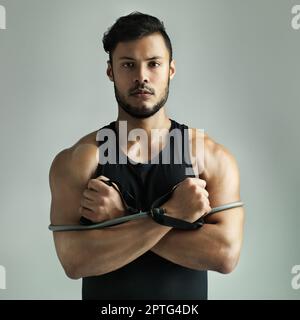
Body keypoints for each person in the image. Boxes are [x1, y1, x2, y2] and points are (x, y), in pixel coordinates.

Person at [49, 12, 245, 300]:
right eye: (128, 65)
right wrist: (173, 214)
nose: (141, 76)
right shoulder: (80, 160)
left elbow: (225, 256)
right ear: (110, 72)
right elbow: (74, 261)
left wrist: (122, 216)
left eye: (154, 64)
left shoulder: (208, 156)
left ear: (171, 70)